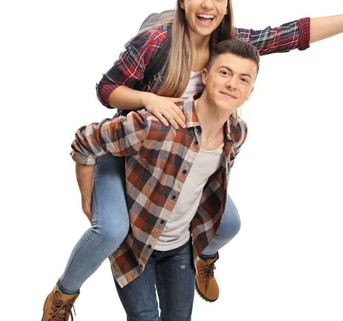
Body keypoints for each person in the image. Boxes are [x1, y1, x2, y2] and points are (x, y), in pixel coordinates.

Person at [42, 0, 343, 318]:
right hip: (131, 145)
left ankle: (201, 259)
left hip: (181, 152)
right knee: (112, 229)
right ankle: (64, 295)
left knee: (229, 222)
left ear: (227, 5)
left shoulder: (229, 45)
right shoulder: (158, 41)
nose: (208, 5)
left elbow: (289, 35)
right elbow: (106, 89)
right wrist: (148, 99)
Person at [43, 39, 260, 321]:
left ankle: (205, 261)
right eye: (225, 73)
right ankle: (64, 293)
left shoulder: (237, 133)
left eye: (243, 79)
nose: (232, 84)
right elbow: (85, 141)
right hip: (136, 248)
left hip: (179, 248)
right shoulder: (158, 124)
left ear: (250, 91)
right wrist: (88, 199)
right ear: (204, 76)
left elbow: (212, 183)